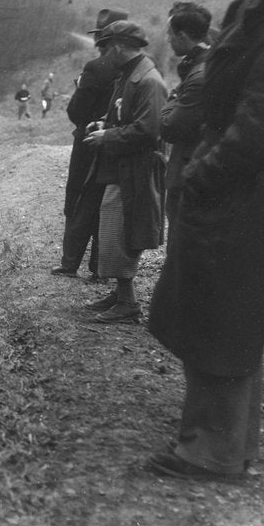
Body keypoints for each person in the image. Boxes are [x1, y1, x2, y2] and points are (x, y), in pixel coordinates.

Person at [147, 0, 264, 481]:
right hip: (246, 186)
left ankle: (211, 451)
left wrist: (203, 174)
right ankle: (230, 444)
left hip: (247, 189)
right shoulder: (262, 14)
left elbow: (261, 123)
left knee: (222, 315)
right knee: (228, 312)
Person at [81, 20, 168, 324]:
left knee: (122, 231)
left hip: (137, 170)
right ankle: (121, 294)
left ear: (118, 47)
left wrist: (108, 137)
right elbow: (125, 115)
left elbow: (149, 130)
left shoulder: (149, 81)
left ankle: (128, 302)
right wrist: (105, 124)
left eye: (106, 47)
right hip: (122, 167)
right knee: (114, 228)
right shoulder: (129, 75)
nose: (104, 54)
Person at [51, 8, 125, 281]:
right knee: (107, 202)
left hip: (89, 142)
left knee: (80, 197)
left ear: (101, 38)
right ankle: (99, 267)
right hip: (119, 142)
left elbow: (75, 111)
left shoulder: (95, 68)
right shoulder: (135, 66)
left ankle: (70, 263)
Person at [159, 2, 212, 239]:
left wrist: (171, 98)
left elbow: (169, 127)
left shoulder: (199, 75)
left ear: (182, 36)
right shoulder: (202, 66)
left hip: (189, 173)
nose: (168, 40)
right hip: (193, 169)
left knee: (181, 244)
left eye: (170, 35)